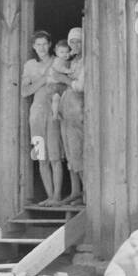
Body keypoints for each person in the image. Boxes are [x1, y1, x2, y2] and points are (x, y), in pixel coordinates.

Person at [20, 30, 65, 205]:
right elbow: (25, 92)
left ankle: (57, 197)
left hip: (52, 112)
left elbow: (62, 86)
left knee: (55, 155)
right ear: (33, 46)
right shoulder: (29, 66)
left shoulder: (57, 61)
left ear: (50, 44)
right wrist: (44, 79)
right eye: (38, 44)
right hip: (36, 114)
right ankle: (49, 196)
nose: (42, 48)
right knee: (41, 157)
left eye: (45, 44)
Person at [59, 27, 86, 206]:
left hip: (78, 112)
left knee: (79, 151)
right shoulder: (72, 61)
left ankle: (86, 193)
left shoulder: (85, 61)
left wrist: (64, 80)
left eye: (78, 41)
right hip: (66, 113)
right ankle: (75, 191)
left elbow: (80, 86)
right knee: (70, 152)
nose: (74, 45)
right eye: (71, 42)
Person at [46, 40, 74, 120]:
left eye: (67, 52)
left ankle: (58, 112)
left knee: (62, 99)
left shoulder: (67, 61)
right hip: (53, 85)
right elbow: (59, 68)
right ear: (57, 53)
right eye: (62, 52)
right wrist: (67, 71)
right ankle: (55, 114)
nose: (65, 54)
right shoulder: (58, 60)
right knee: (56, 98)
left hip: (61, 85)